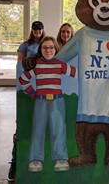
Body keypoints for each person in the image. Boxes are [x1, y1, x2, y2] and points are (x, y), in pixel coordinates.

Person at [19, 36, 77, 172]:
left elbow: (76, 73)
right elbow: (23, 80)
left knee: (58, 129)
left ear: (55, 49)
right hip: (40, 101)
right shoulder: (37, 64)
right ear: (40, 49)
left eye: (51, 47)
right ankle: (35, 160)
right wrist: (33, 93)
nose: (48, 50)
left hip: (57, 101)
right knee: (38, 129)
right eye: (45, 47)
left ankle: (61, 159)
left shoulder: (59, 64)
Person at [8, 21, 45, 182]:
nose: (37, 31)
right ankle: (15, 162)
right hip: (27, 85)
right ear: (32, 30)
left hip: (44, 87)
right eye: (35, 29)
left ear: (43, 30)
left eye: (39, 29)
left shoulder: (47, 44)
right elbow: (19, 66)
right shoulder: (25, 45)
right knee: (22, 125)